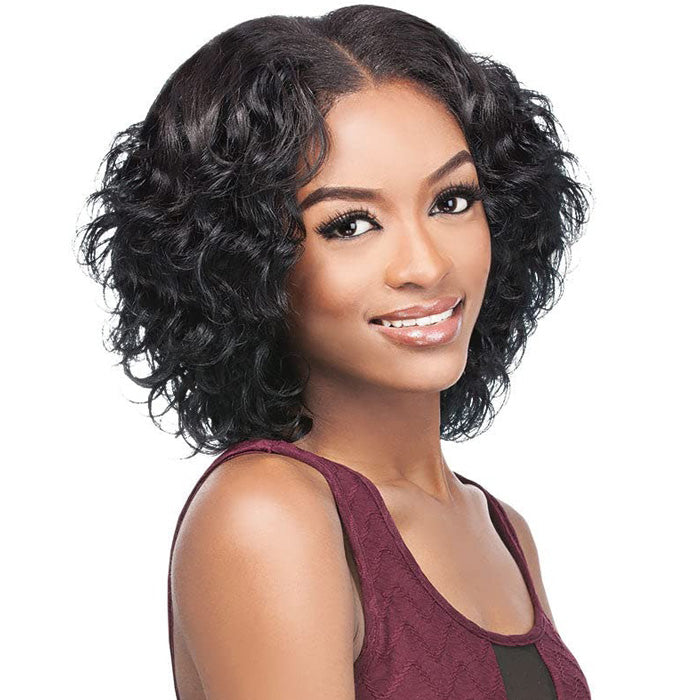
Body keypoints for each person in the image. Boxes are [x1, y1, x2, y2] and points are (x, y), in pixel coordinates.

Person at [75, 4, 592, 698]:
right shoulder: (270, 514)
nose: (426, 264)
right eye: (350, 224)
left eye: (451, 201)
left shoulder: (503, 531)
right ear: (248, 265)